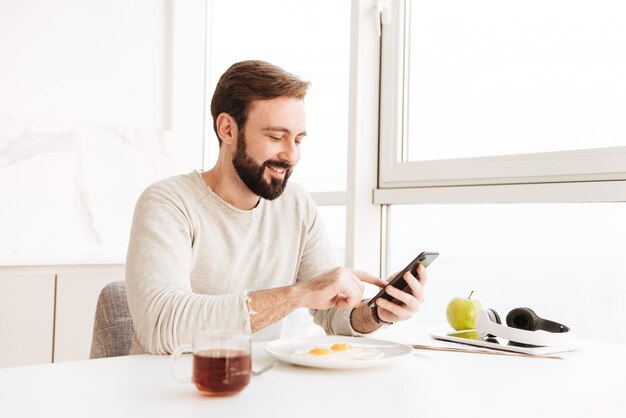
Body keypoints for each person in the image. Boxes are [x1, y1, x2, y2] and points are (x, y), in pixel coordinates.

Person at [125, 60, 428, 354]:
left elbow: (334, 315)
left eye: (298, 139)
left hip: (252, 387)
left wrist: (378, 313)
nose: (291, 155)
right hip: (166, 390)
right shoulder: (168, 203)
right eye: (275, 137)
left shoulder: (296, 205)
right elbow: (161, 325)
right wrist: (298, 294)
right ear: (227, 129)